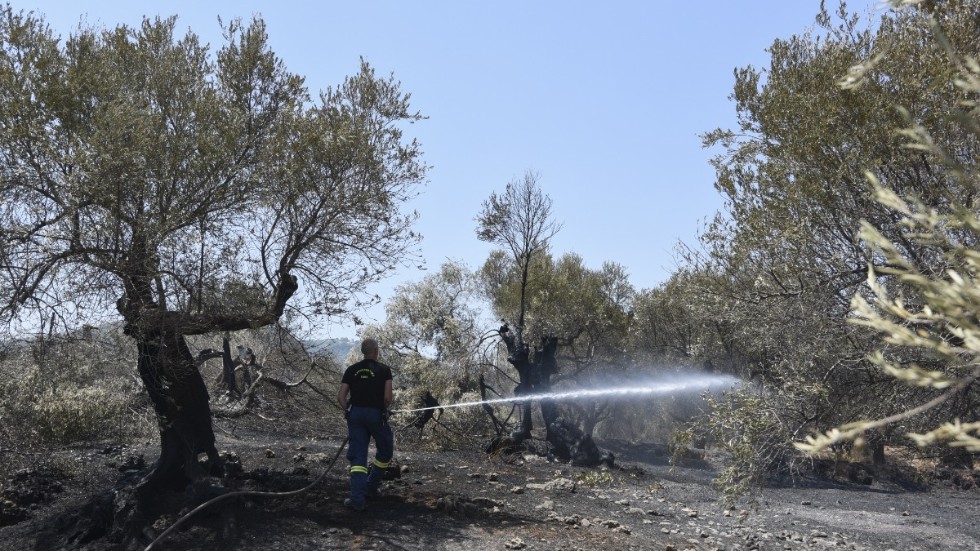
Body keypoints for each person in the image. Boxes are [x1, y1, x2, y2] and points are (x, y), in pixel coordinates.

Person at [337, 338, 394, 510]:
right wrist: (384, 409)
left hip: (356, 415)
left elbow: (340, 397)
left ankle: (357, 500)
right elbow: (387, 398)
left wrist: (349, 410)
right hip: (376, 415)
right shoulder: (384, 370)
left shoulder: (351, 370)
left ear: (363, 351)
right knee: (385, 450)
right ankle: (371, 487)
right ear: (376, 351)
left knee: (358, 457)